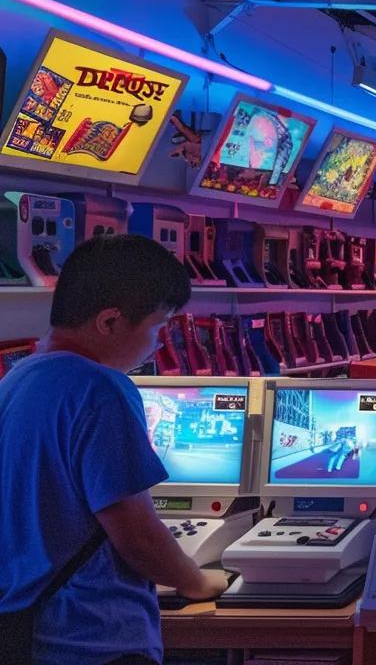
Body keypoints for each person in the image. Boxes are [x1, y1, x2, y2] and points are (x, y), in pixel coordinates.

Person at [0, 234, 229, 664]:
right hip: (93, 638)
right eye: (158, 327)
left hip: (28, 631)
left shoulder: (18, 378)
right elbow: (137, 535)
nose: (159, 343)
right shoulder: (101, 390)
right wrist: (196, 581)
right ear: (109, 322)